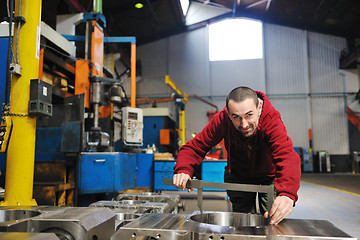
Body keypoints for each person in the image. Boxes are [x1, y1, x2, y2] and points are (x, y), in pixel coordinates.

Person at [173, 86, 301, 225]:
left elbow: (287, 156)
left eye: (249, 115)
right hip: (238, 175)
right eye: (236, 117)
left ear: (259, 107)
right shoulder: (222, 120)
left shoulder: (271, 120)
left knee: (272, 220)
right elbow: (195, 147)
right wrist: (183, 169)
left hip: (269, 176)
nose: (244, 124)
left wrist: (287, 194)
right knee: (242, 223)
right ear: (228, 113)